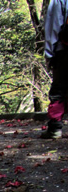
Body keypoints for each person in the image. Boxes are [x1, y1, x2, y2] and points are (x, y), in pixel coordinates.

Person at [42, 0, 68, 139]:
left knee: (59, 89)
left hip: (64, 51)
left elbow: (53, 27)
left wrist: (50, 54)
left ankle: (55, 128)